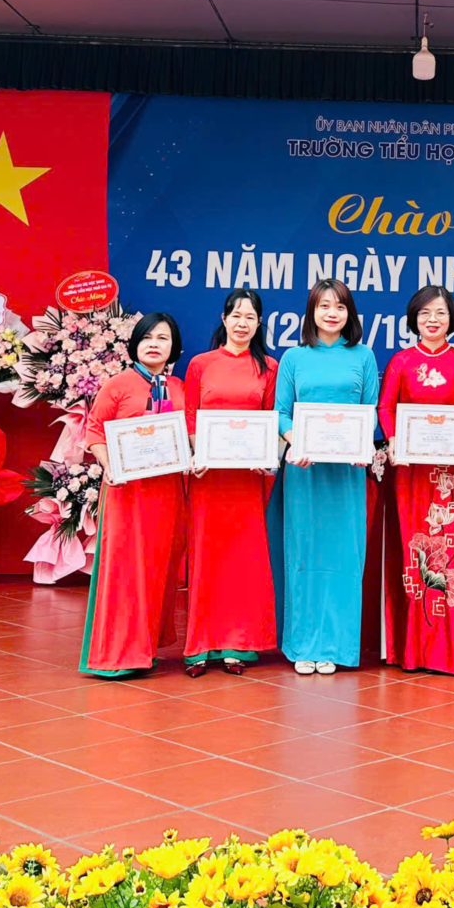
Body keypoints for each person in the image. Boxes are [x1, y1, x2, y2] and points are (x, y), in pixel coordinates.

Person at [273, 279, 380, 675]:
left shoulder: (364, 356)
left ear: (350, 314)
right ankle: (303, 644)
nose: (332, 313)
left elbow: (370, 411)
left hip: (347, 474)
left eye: (340, 306)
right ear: (311, 312)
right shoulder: (293, 358)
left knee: (344, 557)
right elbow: (282, 413)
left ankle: (336, 645)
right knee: (304, 553)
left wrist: (362, 445)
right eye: (324, 306)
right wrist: (295, 441)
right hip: (304, 471)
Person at [377, 285, 454, 675]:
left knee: (448, 556)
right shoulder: (401, 361)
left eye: (439, 313)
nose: (432, 320)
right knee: (412, 556)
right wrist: (392, 440)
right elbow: (386, 407)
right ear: (413, 319)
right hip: (409, 473)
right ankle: (410, 651)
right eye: (424, 313)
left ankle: (446, 653)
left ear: (452, 318)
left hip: (447, 477)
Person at [79, 313, 187, 679]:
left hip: (167, 492)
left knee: (157, 568)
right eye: (147, 337)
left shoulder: (179, 388)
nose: (154, 344)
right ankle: (118, 653)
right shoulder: (119, 383)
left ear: (175, 348)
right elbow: (95, 430)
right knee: (125, 569)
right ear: (135, 344)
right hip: (127, 490)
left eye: (163, 338)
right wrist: (109, 465)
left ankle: (145, 647)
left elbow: (188, 433)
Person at [180, 288, 279, 677]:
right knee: (206, 556)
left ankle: (239, 643)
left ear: (259, 323)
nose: (242, 323)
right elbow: (190, 416)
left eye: (250, 317)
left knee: (243, 559)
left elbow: (271, 419)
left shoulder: (269, 366)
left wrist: (266, 457)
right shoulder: (201, 364)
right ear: (224, 319)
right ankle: (200, 646)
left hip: (247, 480)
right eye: (236, 315)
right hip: (209, 477)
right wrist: (197, 453)